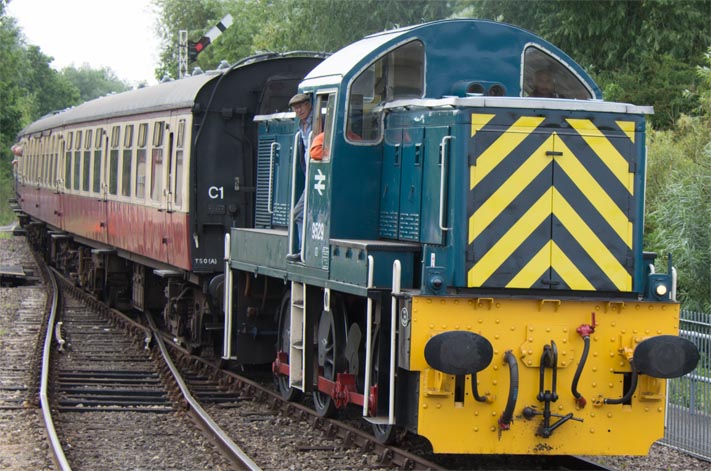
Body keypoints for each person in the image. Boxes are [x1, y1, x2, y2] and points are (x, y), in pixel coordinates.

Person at [287, 93, 312, 262]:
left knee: (299, 213)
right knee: (300, 213)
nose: (299, 110)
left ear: (309, 104)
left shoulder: (318, 122)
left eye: (301, 106)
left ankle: (305, 251)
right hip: (310, 176)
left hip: (319, 175)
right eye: (296, 108)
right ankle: (304, 250)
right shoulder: (301, 126)